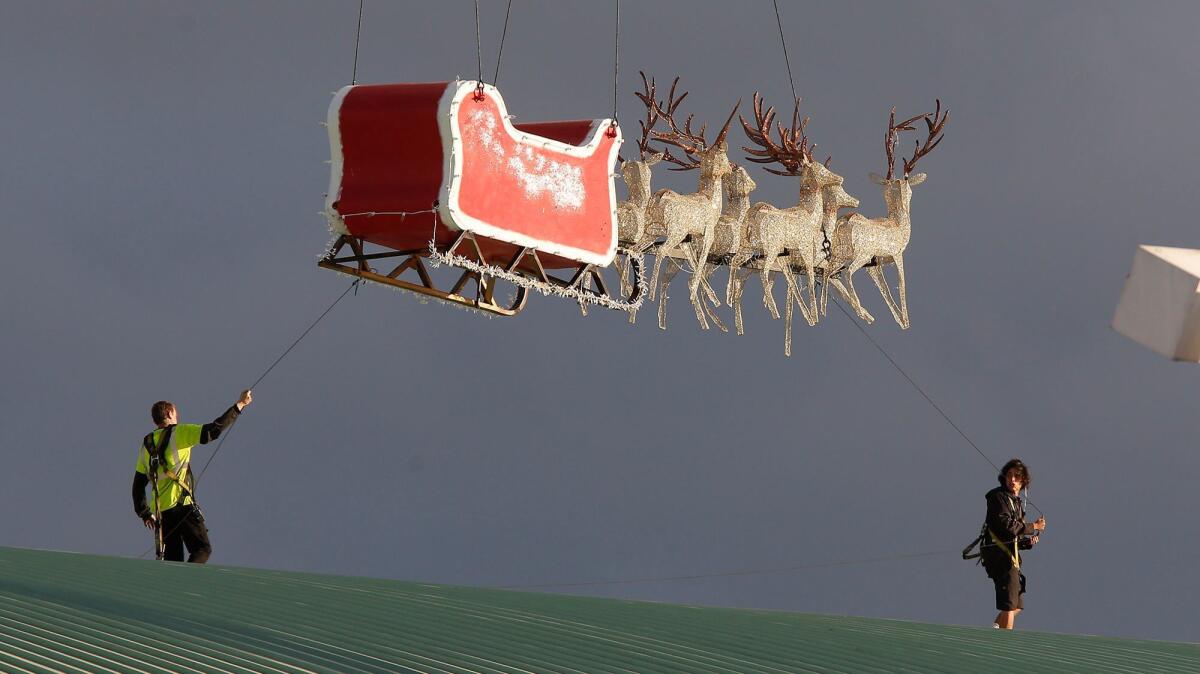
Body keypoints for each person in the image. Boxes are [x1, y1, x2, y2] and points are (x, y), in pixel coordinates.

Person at [132, 390, 252, 563]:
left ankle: (175, 587)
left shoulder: (146, 445)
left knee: (173, 561)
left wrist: (144, 513)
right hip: (182, 506)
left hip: (162, 513)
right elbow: (213, 430)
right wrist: (240, 405)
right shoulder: (178, 432)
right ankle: (185, 584)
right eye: (175, 413)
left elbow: (138, 485)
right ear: (169, 413)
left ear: (155, 420)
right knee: (202, 549)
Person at [981, 458, 1046, 630]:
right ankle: (1005, 643)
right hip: (1000, 557)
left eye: (1017, 477)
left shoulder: (1016, 503)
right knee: (1009, 606)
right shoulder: (998, 498)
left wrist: (1027, 542)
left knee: (1016, 605)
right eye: (1009, 476)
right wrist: (1034, 527)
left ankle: (995, 631)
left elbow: (1013, 536)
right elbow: (1007, 526)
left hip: (1009, 556)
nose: (1012, 480)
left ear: (1023, 481)